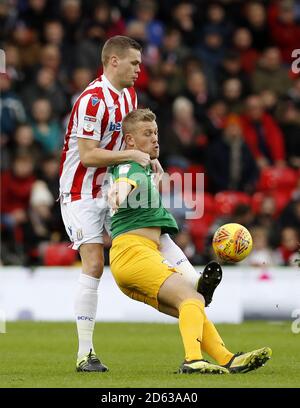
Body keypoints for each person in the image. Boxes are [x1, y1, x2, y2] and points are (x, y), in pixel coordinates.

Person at [59, 35, 215, 373]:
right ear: (113, 61)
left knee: (154, 232)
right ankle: (85, 353)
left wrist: (147, 158)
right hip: (81, 191)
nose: (139, 70)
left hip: (117, 184)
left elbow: (133, 135)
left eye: (140, 64)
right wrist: (134, 154)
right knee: (95, 264)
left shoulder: (129, 95)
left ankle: (194, 285)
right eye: (134, 64)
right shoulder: (92, 100)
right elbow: (86, 156)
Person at [108, 108, 272, 374]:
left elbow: (162, 239)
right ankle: (193, 360)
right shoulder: (131, 167)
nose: (155, 139)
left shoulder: (143, 170)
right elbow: (120, 188)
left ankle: (227, 358)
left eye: (157, 133)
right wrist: (118, 194)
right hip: (134, 254)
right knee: (192, 298)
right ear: (129, 141)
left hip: (134, 258)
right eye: (147, 134)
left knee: (191, 304)